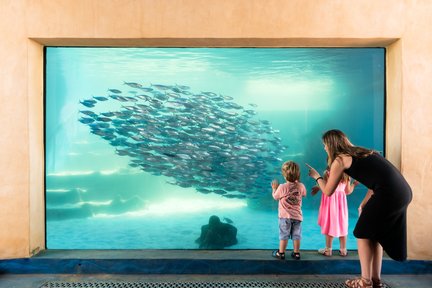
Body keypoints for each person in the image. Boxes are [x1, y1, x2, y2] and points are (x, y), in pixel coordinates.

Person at [307, 129, 412, 288]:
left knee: (361, 233)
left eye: (324, 145)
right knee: (374, 235)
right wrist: (364, 203)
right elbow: (378, 180)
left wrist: (317, 177)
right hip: (402, 191)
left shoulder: (340, 160)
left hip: (389, 194)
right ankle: (375, 280)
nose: (324, 148)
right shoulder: (363, 153)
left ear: (331, 144)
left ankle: (365, 281)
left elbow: (328, 191)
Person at [311, 166, 359, 257]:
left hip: (330, 203)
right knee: (343, 224)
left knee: (330, 224)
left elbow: (326, 187)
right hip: (341, 204)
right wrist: (354, 184)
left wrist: (318, 186)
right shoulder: (346, 174)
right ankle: (343, 250)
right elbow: (348, 191)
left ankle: (328, 250)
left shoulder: (327, 173)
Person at [271, 161, 307, 260]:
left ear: (285, 176)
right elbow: (304, 194)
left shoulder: (282, 187)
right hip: (297, 217)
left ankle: (281, 253)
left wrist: (274, 188)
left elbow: (275, 197)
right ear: (298, 175)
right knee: (296, 235)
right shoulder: (301, 186)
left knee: (284, 235)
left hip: (285, 217)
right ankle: (296, 253)